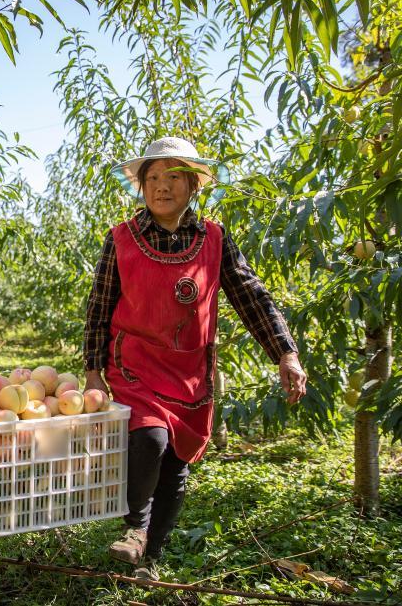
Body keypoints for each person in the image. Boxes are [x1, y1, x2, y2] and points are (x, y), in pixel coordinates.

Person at [82, 137, 307, 581]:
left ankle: (151, 560)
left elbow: (251, 298)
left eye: (172, 176)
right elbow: (99, 309)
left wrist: (286, 353)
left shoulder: (215, 240)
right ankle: (134, 529)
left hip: (188, 373)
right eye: (152, 178)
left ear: (193, 184)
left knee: (177, 462)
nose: (161, 186)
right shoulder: (122, 239)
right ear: (142, 187)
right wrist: (93, 373)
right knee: (150, 440)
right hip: (134, 365)